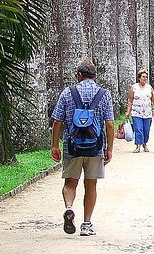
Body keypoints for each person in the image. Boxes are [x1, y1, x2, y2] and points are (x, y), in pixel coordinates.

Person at [51, 58, 114, 236]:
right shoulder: (104, 93)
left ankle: (69, 207)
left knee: (70, 182)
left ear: (79, 75)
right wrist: (109, 148)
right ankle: (86, 224)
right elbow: (109, 124)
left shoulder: (67, 93)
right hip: (96, 147)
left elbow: (57, 121)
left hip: (72, 146)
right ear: (95, 76)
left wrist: (54, 145)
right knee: (91, 185)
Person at [126, 69, 154, 153]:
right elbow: (130, 100)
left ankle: (145, 143)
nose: (145, 78)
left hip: (147, 113)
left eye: (146, 77)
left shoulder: (149, 87)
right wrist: (128, 112)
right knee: (138, 129)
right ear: (139, 78)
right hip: (136, 112)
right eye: (143, 77)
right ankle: (138, 146)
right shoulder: (134, 87)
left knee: (146, 130)